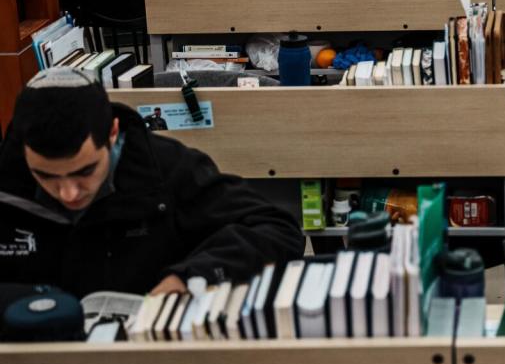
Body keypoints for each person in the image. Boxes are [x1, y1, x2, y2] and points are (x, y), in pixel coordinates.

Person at [0, 68, 304, 299]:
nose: (68, 193)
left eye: (85, 171)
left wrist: (190, 277)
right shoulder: (8, 182)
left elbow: (277, 229)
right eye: (46, 176)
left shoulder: (169, 168)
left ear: (112, 133)